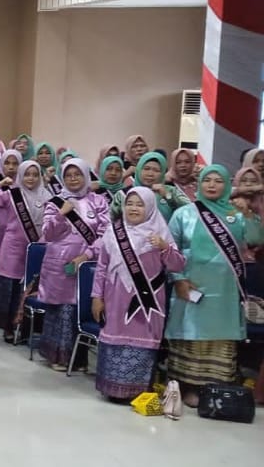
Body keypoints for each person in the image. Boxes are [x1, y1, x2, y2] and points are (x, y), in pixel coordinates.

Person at [165, 164, 263, 407]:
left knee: (219, 341)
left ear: (227, 185)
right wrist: (178, 279)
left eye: (218, 181)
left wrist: (248, 215)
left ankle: (215, 388)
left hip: (224, 292)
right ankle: (187, 387)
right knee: (191, 337)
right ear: (199, 183)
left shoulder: (235, 214)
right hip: (191, 287)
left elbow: (255, 239)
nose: (211, 185)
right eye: (207, 180)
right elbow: (170, 251)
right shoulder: (184, 214)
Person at [91, 187, 186, 403]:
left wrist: (164, 247)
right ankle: (112, 389)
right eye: (130, 203)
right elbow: (102, 267)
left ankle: (137, 390)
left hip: (147, 302)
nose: (134, 208)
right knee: (115, 339)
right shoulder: (113, 232)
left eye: (140, 204)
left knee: (142, 340)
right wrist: (97, 296)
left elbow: (177, 265)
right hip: (115, 298)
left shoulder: (160, 232)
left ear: (150, 207)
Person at [37, 158, 109, 370]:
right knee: (61, 310)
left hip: (87, 265)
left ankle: (78, 360)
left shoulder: (98, 201)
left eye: (77, 174)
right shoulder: (56, 202)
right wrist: (61, 215)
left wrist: (87, 254)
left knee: (79, 309)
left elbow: (106, 234)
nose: (73, 179)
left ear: (86, 175)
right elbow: (48, 234)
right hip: (59, 265)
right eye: (68, 175)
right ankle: (58, 357)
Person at [0, 161, 50, 342]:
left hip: (35, 247)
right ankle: (8, 326)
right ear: (21, 175)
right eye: (27, 174)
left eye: (35, 175)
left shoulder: (47, 196)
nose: (31, 178)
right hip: (12, 248)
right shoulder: (12, 194)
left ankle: (24, 328)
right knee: (11, 289)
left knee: (29, 287)